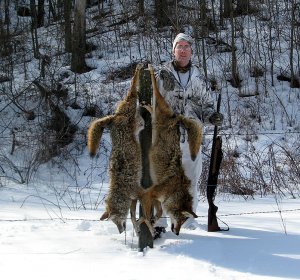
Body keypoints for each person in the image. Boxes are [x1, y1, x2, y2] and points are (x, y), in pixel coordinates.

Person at [154, 33, 223, 238]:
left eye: (186, 46)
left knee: (191, 179)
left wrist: (213, 117)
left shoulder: (198, 77)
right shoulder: (161, 75)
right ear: (173, 50)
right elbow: (149, 104)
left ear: (191, 51)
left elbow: (206, 106)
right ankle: (158, 223)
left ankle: (185, 220)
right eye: (179, 46)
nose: (182, 50)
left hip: (192, 139)